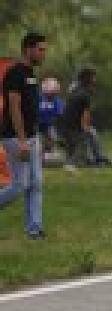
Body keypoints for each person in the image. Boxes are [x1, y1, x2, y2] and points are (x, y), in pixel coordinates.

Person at [0, 32, 47, 239]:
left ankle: (34, 229)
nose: (43, 54)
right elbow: (14, 107)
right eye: (40, 49)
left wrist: (35, 138)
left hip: (32, 137)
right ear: (28, 49)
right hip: (16, 137)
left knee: (36, 184)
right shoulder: (15, 73)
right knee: (19, 185)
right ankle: (34, 228)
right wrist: (21, 141)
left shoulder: (31, 74)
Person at [59, 68, 106, 167]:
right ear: (88, 79)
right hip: (75, 129)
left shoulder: (74, 91)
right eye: (93, 77)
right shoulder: (85, 95)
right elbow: (85, 116)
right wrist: (85, 130)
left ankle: (92, 158)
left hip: (64, 128)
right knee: (91, 133)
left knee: (88, 136)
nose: (95, 80)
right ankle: (99, 159)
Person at [37, 77, 64, 155]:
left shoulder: (57, 100)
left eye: (54, 92)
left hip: (49, 125)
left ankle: (48, 151)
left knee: (51, 135)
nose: (51, 94)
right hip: (37, 124)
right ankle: (41, 152)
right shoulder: (39, 98)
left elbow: (60, 114)